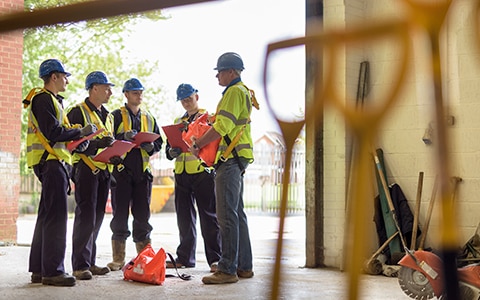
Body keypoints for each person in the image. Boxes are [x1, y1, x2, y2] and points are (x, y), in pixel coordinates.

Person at [189, 52, 258, 284]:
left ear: (231, 72)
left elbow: (222, 127)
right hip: (238, 157)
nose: (217, 75)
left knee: (226, 215)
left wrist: (198, 143)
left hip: (230, 159)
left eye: (220, 71)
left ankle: (227, 269)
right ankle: (243, 266)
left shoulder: (233, 92)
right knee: (237, 214)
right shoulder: (243, 92)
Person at [26, 59, 96, 286]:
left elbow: (57, 133)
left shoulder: (53, 101)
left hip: (53, 162)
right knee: (56, 218)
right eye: (64, 76)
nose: (67, 79)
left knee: (47, 216)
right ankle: (53, 271)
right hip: (51, 164)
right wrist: (79, 132)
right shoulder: (43, 98)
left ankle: (39, 269)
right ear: (54, 77)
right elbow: (52, 131)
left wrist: (78, 140)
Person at [107, 78, 163, 271]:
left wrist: (151, 147)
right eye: (134, 93)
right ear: (126, 95)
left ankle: (145, 258)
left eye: (140, 92)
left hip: (142, 174)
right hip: (121, 173)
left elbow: (159, 142)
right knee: (120, 215)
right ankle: (118, 259)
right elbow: (107, 139)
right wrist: (123, 137)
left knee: (142, 217)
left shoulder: (149, 117)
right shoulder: (114, 116)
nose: (138, 96)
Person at [165, 83, 221, 272]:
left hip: (202, 172)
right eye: (183, 100)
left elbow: (213, 142)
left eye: (189, 98)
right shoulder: (177, 122)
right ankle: (185, 258)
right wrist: (171, 152)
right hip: (181, 174)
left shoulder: (209, 118)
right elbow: (169, 149)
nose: (186, 102)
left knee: (209, 217)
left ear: (197, 96)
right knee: (184, 219)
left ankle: (216, 258)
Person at [66, 71, 116, 280]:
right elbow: (72, 145)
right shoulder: (77, 112)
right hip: (86, 170)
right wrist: (97, 145)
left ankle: (90, 262)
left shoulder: (108, 115)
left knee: (96, 218)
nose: (110, 92)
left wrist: (115, 153)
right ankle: (80, 265)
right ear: (94, 88)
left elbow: (109, 141)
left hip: (104, 171)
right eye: (107, 88)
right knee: (85, 217)